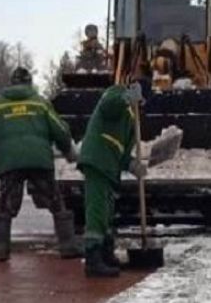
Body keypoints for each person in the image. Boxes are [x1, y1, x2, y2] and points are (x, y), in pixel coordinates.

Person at [0, 67, 80, 262]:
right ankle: (68, 247)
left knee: (5, 206)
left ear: (11, 83)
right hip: (39, 161)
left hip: (10, 163)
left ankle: (2, 251)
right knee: (56, 202)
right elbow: (60, 131)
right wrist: (68, 151)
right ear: (29, 83)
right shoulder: (40, 103)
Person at [77, 82, 146, 278]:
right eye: (141, 99)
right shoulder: (116, 94)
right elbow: (108, 105)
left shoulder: (132, 120)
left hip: (109, 165)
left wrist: (133, 166)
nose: (141, 103)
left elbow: (122, 153)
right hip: (97, 159)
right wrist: (126, 96)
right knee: (97, 209)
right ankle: (93, 259)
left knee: (107, 211)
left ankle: (106, 254)